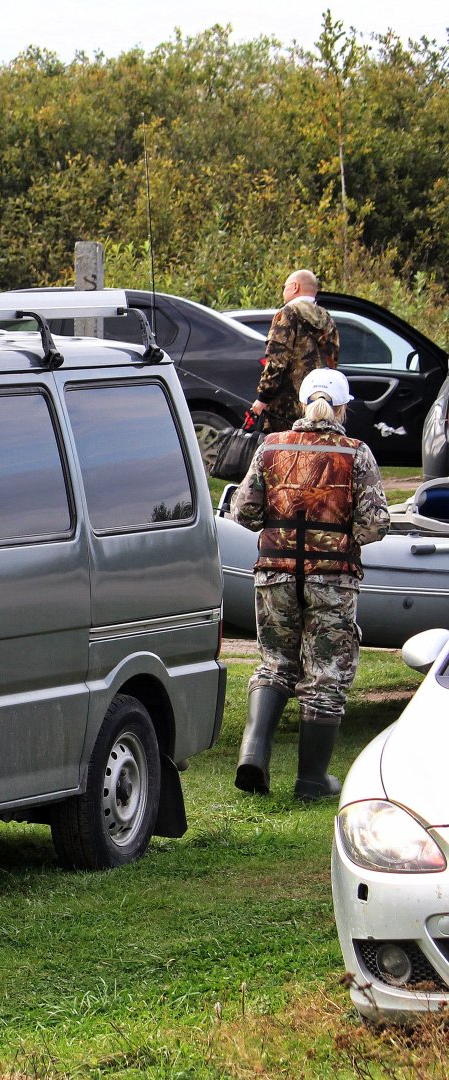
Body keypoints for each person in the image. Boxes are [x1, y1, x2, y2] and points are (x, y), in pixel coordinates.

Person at [230, 367, 389, 799]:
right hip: (331, 580)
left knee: (275, 663)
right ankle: (312, 780)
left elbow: (244, 513)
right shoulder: (355, 453)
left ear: (302, 405)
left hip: (274, 574)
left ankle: (252, 758)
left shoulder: (271, 447)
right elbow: (374, 525)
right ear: (342, 408)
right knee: (326, 674)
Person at [249, 269, 340, 434]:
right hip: (318, 402)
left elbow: (276, 360)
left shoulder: (287, 313)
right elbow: (333, 361)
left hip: (285, 406)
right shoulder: (327, 318)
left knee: (282, 453)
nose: (283, 292)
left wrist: (263, 397)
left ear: (295, 287)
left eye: (285, 287)